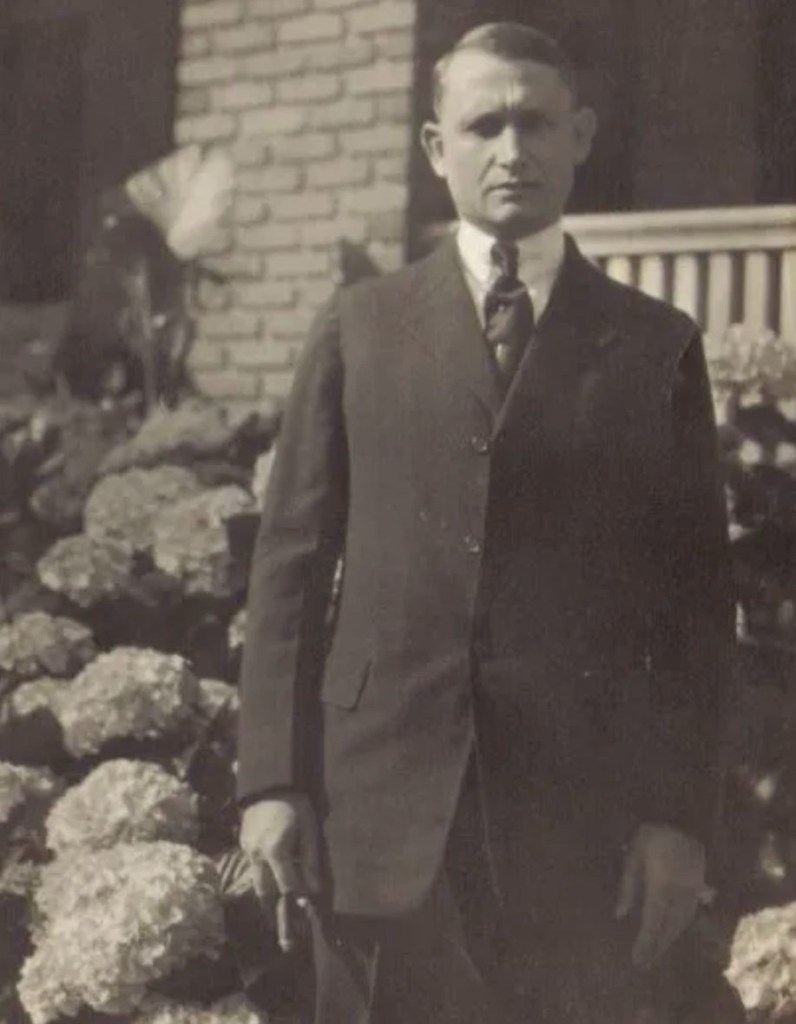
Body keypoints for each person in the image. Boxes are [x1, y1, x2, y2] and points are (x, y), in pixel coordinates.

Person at [237, 22, 739, 1024]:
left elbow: (692, 608)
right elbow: (290, 567)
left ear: (582, 134)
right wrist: (273, 783)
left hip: (572, 829)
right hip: (372, 815)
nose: (512, 149)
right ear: (436, 149)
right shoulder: (359, 326)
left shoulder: (650, 346)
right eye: (484, 125)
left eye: (536, 122)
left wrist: (677, 820)